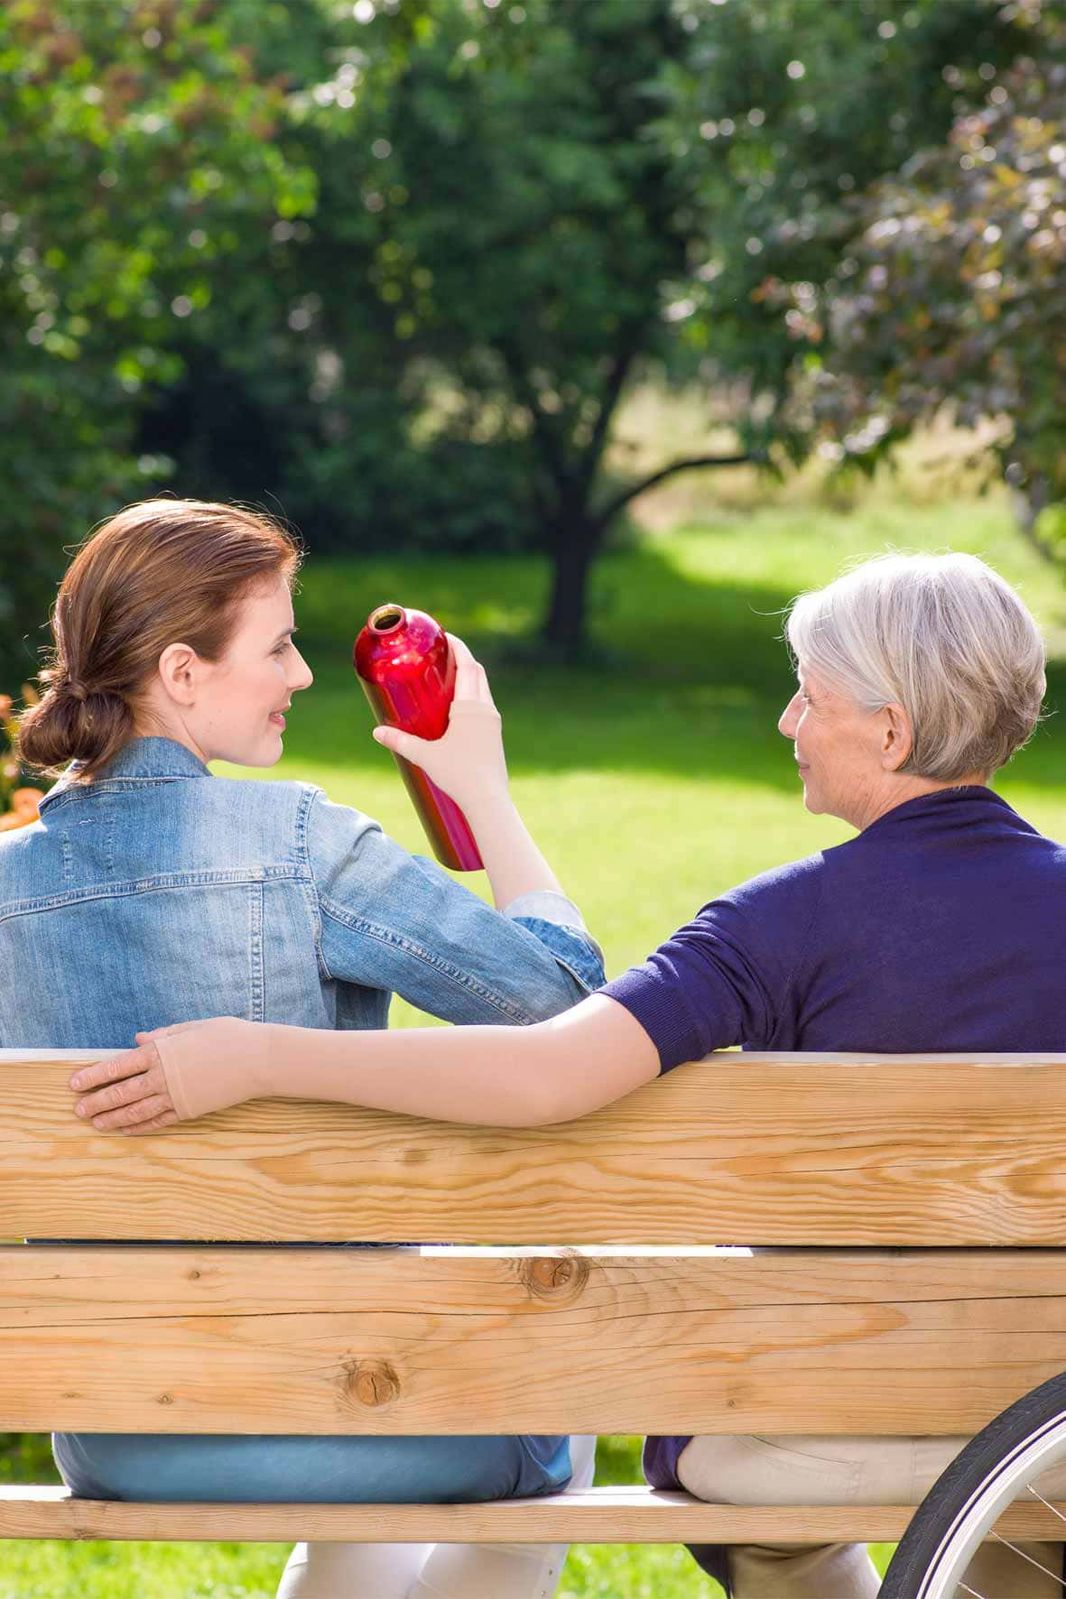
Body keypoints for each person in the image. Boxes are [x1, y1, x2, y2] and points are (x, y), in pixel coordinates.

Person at [78, 550, 1066, 1598]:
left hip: (829, 1419)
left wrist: (261, 1055)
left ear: (892, 732)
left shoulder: (776, 925)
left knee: (756, 1507)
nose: (784, 722)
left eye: (806, 696)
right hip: (1050, 1420)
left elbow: (551, 1069)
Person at [0, 497, 604, 1599]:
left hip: (116, 1429)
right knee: (551, 1412)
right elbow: (565, 1010)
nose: (303, 675)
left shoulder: (6, 886)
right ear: (182, 673)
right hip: (350, 1396)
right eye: (277, 645)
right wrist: (482, 791)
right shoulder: (302, 849)